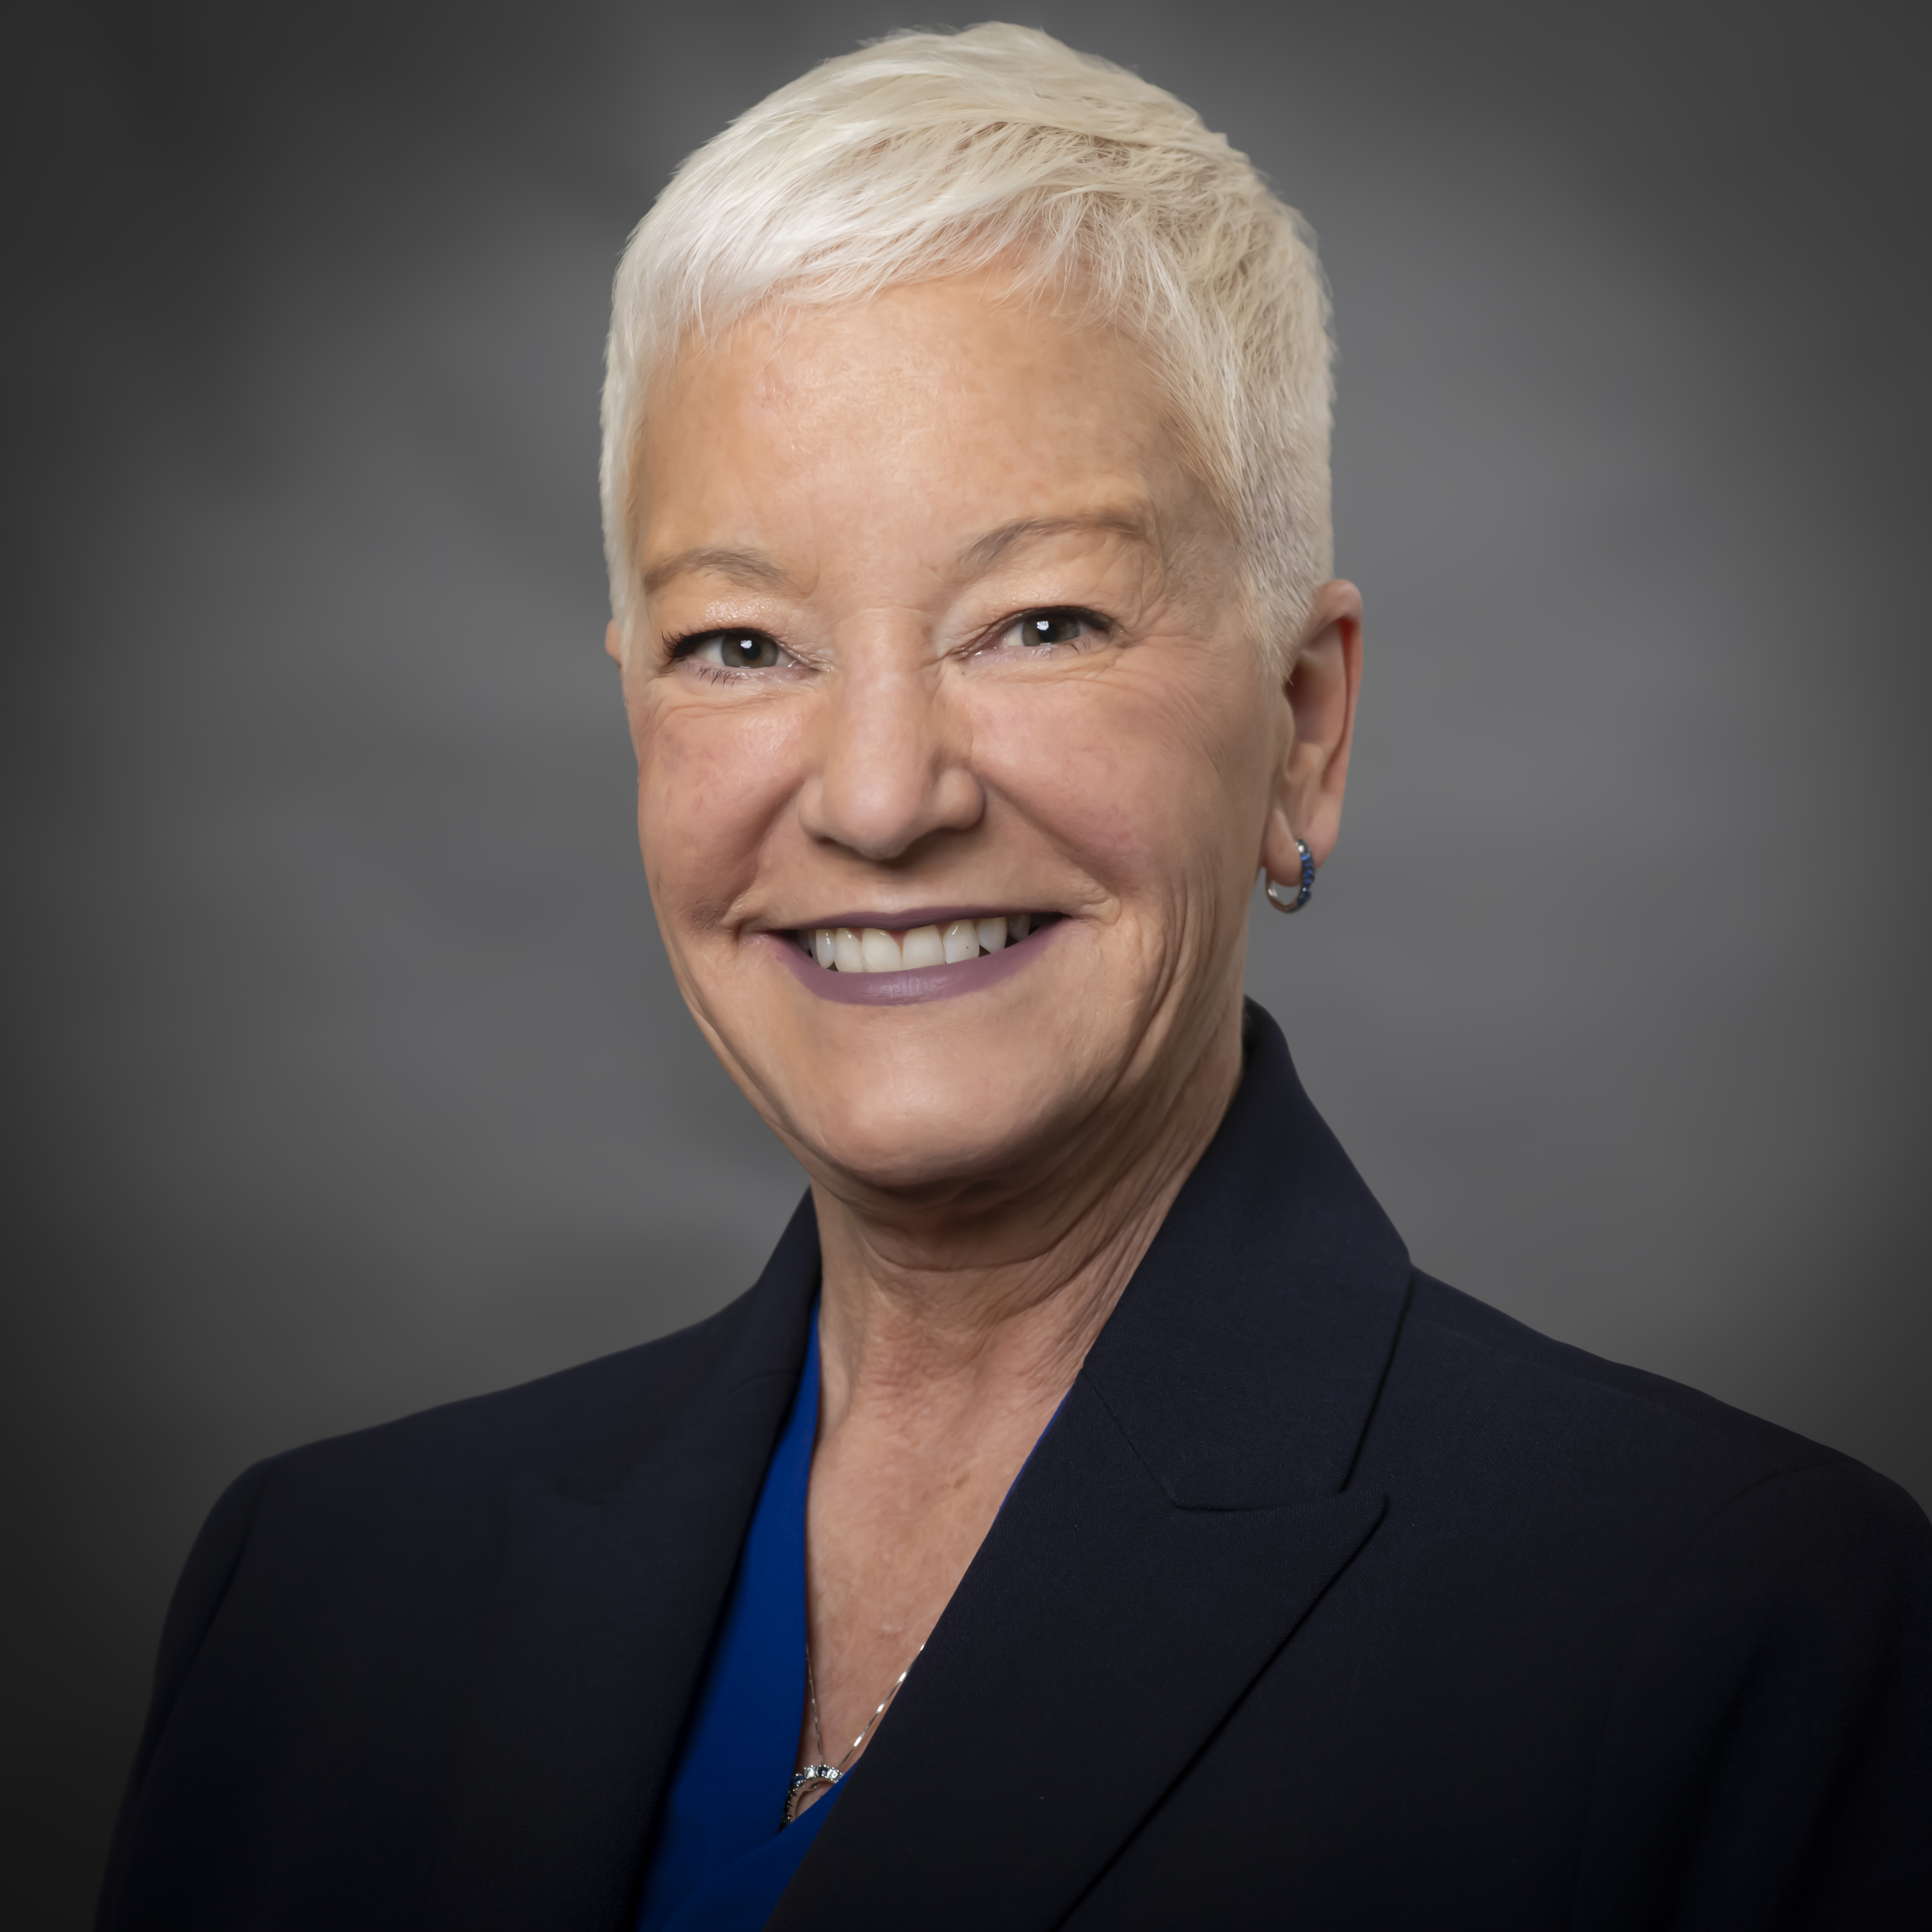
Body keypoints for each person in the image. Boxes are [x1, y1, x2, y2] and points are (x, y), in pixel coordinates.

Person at [95, 24, 1931, 1932]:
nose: (883, 796)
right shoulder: (309, 1596)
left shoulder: (1735, 1634)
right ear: (633, 712)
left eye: (1038, 620)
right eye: (739, 643)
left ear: (1302, 725)